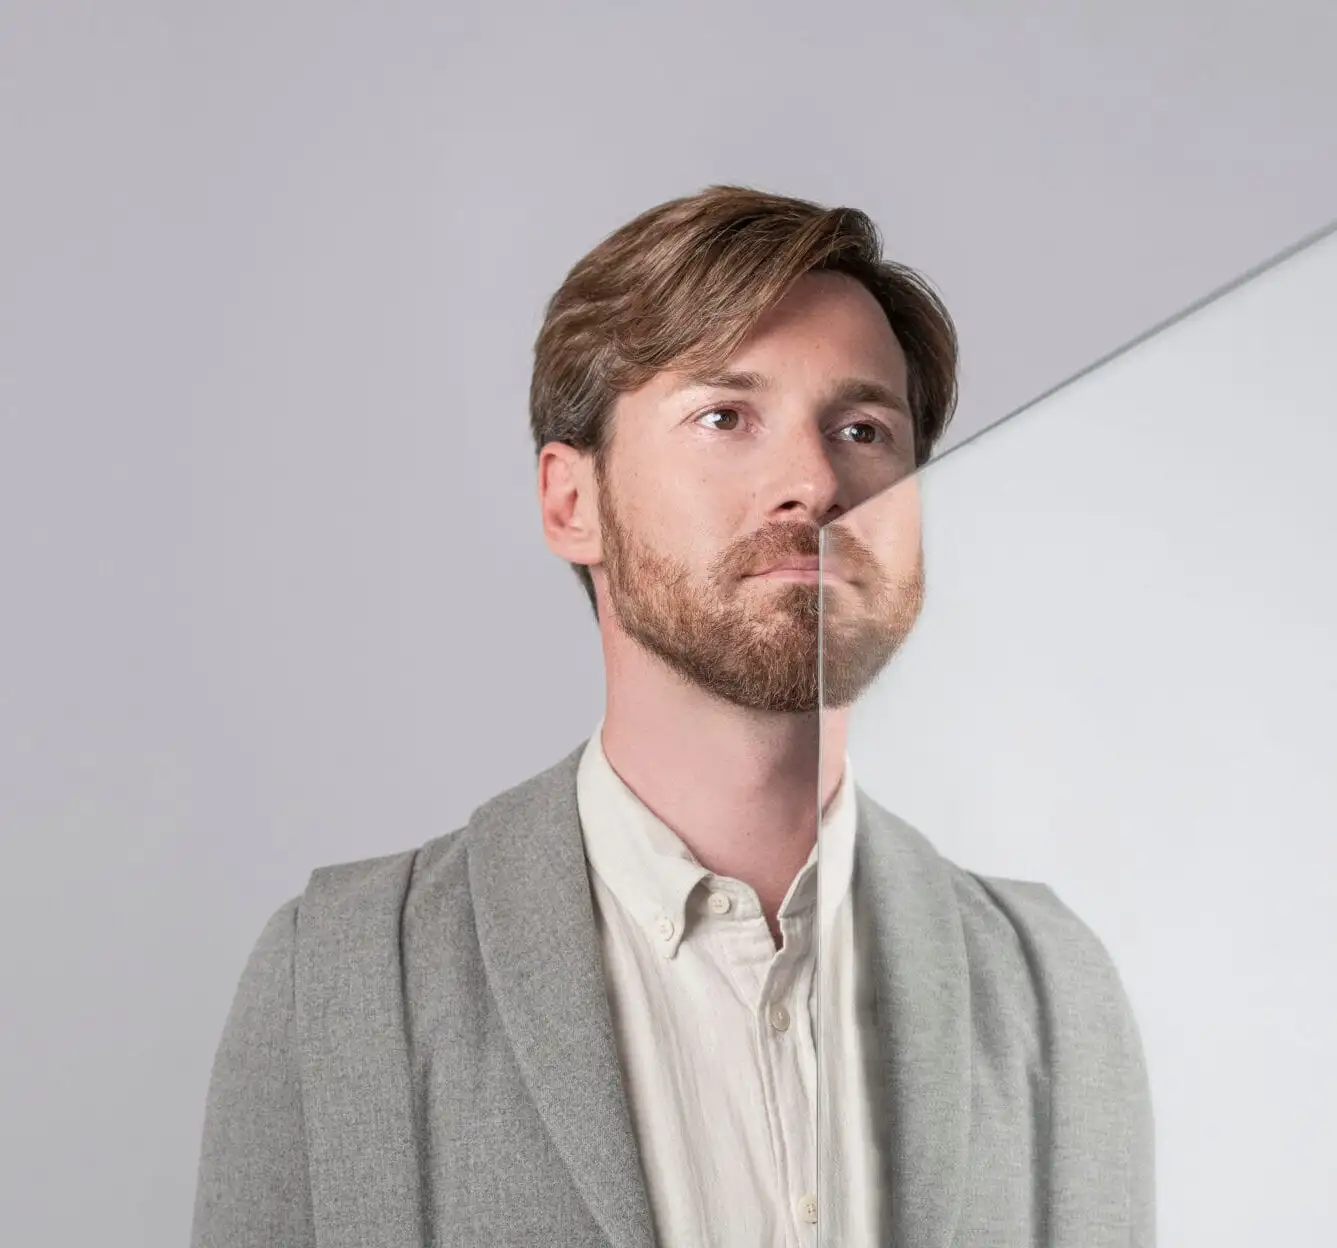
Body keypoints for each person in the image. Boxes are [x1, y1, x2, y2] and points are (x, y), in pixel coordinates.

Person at [190, 187, 1155, 1248]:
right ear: (572, 503)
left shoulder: (1049, 983)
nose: (814, 481)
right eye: (722, 416)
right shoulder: (338, 984)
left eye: (863, 427)